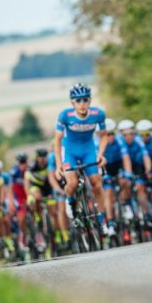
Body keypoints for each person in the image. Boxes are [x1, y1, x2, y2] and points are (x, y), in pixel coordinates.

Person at [54, 83, 109, 233]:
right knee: (71, 183)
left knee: (96, 183)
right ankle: (70, 201)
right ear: (72, 103)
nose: (82, 104)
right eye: (78, 101)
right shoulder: (65, 115)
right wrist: (59, 165)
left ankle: (102, 220)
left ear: (90, 101)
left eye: (85, 100)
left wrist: (100, 154)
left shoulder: (98, 114)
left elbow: (104, 136)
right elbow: (57, 141)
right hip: (70, 151)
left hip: (88, 150)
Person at [101, 118, 134, 240]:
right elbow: (97, 162)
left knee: (125, 180)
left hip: (118, 165)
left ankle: (126, 205)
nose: (110, 137)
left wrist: (128, 173)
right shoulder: (97, 143)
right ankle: (110, 223)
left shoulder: (120, 141)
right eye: (107, 134)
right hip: (106, 168)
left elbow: (126, 158)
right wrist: (102, 176)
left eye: (111, 134)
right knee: (108, 192)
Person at [118, 119, 152, 227]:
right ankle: (127, 204)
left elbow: (146, 157)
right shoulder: (119, 141)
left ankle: (146, 214)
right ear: (121, 134)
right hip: (123, 165)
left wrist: (148, 170)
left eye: (131, 134)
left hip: (137, 165)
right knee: (125, 183)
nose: (129, 136)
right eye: (125, 134)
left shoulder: (138, 141)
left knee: (140, 186)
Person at [24, 147, 61, 248]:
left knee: (54, 213)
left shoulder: (49, 164)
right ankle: (37, 216)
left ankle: (57, 234)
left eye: (44, 158)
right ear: (36, 158)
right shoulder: (31, 167)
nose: (42, 160)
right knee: (36, 196)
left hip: (48, 188)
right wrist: (29, 196)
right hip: (36, 187)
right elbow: (27, 183)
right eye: (40, 158)